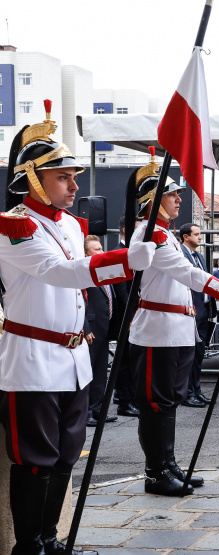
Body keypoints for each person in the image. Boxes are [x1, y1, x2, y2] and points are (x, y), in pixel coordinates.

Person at [0, 106, 155, 555]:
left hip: (73, 359)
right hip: (32, 360)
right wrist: (125, 260)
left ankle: (51, 539)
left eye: (74, 176)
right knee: (35, 460)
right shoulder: (15, 227)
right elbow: (61, 271)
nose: (74, 186)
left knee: (67, 455)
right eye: (63, 177)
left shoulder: (69, 223)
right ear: (33, 179)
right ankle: (29, 547)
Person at [124, 151, 219, 497]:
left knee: (168, 402)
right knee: (155, 404)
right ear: (153, 199)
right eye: (172, 194)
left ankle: (167, 463)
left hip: (176, 329)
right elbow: (188, 274)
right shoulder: (149, 233)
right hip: (156, 330)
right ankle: (155, 473)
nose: (179, 198)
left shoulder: (164, 234)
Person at [84, 235, 119, 427]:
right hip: (91, 328)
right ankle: (86, 411)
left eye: (100, 248)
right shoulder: (83, 272)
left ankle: (98, 409)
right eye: (96, 249)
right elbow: (78, 301)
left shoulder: (102, 271)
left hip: (104, 328)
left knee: (99, 372)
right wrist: (85, 327)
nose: (101, 252)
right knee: (88, 371)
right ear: (86, 253)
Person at [178, 223, 212, 409]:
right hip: (190, 312)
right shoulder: (180, 256)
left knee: (198, 355)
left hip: (203, 312)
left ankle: (196, 390)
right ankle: (187, 393)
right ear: (185, 237)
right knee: (188, 357)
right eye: (197, 234)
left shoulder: (198, 255)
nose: (200, 237)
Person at [113, 217, 141, 418]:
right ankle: (124, 401)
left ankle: (130, 398)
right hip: (125, 316)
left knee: (132, 361)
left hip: (135, 314)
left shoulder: (134, 253)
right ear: (125, 231)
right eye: (137, 230)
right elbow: (122, 289)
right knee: (124, 362)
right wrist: (131, 315)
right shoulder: (118, 252)